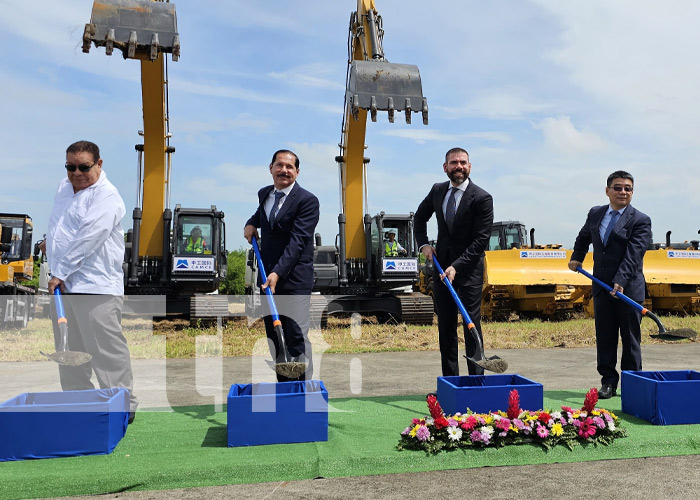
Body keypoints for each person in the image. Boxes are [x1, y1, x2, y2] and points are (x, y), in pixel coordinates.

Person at [45, 140, 137, 422]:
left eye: (83, 167)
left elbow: (87, 238)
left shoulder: (107, 197)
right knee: (68, 348)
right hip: (63, 285)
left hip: (95, 287)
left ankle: (122, 404)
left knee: (104, 349)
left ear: (99, 164)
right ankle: (78, 401)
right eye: (70, 167)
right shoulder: (64, 187)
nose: (76, 173)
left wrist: (59, 270)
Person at [568, 171, 652, 399]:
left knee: (630, 338)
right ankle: (608, 382)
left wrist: (621, 281)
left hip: (628, 290)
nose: (623, 192)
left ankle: (633, 382)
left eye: (628, 188)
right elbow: (584, 236)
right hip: (601, 287)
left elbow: (634, 255)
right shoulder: (596, 213)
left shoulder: (640, 220)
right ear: (607, 191)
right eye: (618, 187)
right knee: (605, 336)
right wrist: (577, 256)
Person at [414, 147, 494, 376]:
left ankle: (476, 383)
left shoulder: (482, 198)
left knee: (471, 326)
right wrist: (424, 245)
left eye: (462, 162)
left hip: (468, 272)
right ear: (445, 167)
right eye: (453, 163)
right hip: (441, 271)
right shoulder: (438, 191)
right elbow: (419, 219)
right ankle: (451, 383)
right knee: (446, 328)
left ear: (469, 166)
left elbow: (481, 240)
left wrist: (456, 267)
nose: (458, 166)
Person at [244, 149, 320, 382]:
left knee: (295, 336)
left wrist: (278, 272)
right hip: (269, 281)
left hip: (294, 280)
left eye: (289, 167)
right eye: (279, 165)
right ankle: (285, 390)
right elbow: (265, 216)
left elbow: (297, 243)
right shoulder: (265, 194)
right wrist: (250, 223)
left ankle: (303, 392)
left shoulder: (308, 201)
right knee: (275, 337)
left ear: (297, 172)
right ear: (271, 168)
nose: (284, 170)